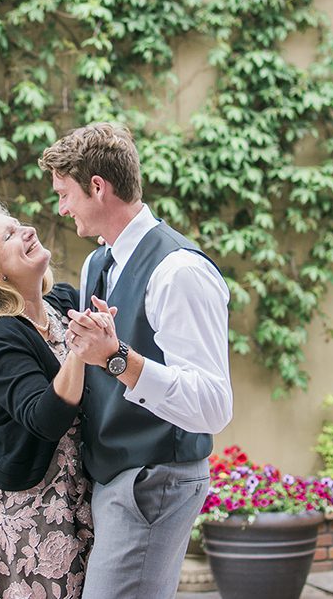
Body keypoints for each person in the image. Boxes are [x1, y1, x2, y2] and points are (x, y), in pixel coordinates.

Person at [37, 122, 235, 598]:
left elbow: (213, 406)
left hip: (153, 480)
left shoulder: (179, 272)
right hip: (110, 477)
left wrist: (119, 357)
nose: (62, 208)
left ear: (98, 188)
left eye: (64, 194)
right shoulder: (96, 265)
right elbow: (85, 360)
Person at [0, 204, 117, 599]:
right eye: (9, 235)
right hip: (21, 512)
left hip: (69, 495)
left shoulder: (63, 304)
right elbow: (45, 417)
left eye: (19, 226)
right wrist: (79, 352)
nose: (28, 231)